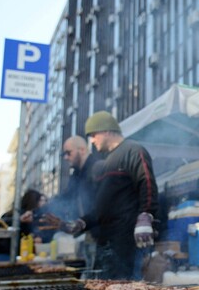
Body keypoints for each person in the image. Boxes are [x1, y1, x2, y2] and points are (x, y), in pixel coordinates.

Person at [46, 111, 160, 280]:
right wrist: (81, 223)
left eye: (93, 135)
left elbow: (147, 182)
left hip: (127, 242)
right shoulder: (104, 164)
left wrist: (145, 215)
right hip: (106, 243)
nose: (92, 140)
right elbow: (100, 207)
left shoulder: (133, 150)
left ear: (106, 131)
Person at [46, 136, 101, 277]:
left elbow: (104, 206)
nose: (65, 157)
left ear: (81, 150)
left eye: (68, 152)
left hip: (103, 236)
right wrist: (36, 212)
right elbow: (64, 197)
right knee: (91, 276)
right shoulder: (76, 174)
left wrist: (82, 222)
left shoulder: (97, 168)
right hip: (88, 234)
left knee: (101, 279)